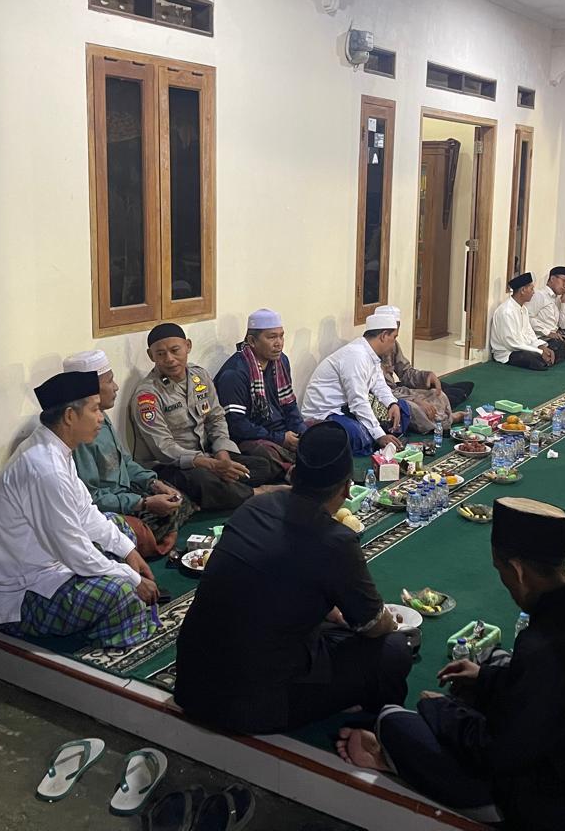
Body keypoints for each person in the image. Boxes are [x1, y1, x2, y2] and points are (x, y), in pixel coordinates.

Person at [337, 497, 565, 831]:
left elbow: (495, 754)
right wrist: (486, 678)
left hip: (557, 799)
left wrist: (442, 711)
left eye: (500, 570)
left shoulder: (544, 648)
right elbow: (552, 693)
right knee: (496, 662)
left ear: (518, 571)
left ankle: (390, 759)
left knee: (393, 721)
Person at [175, 421, 410, 734]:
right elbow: (373, 625)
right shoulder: (336, 540)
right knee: (395, 649)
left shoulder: (254, 506)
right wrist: (390, 622)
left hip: (191, 685)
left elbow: (271, 586)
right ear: (346, 489)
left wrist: (332, 613)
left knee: (330, 626)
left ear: (294, 475)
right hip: (252, 706)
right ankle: (378, 728)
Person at [0, 370, 160, 646]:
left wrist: (128, 552)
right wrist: (132, 578)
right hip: (18, 598)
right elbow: (73, 549)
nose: (101, 417)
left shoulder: (55, 448)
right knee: (121, 591)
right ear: (70, 416)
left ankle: (113, 597)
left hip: (50, 566)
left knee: (118, 528)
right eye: (95, 409)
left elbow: (86, 513)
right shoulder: (45, 469)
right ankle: (117, 635)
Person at [131, 323, 286, 513]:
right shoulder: (147, 395)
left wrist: (222, 454)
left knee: (261, 465)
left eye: (175, 350)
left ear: (188, 346)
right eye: (161, 354)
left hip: (208, 455)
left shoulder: (199, 376)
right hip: (171, 466)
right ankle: (257, 492)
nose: (169, 359)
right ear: (151, 355)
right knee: (202, 480)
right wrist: (210, 464)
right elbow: (164, 448)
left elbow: (216, 418)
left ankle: (225, 493)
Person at [64, 350, 191, 556]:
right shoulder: (80, 433)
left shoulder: (101, 416)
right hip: (110, 507)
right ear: (91, 390)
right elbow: (92, 498)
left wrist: (153, 483)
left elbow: (125, 462)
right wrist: (143, 503)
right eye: (109, 381)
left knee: (177, 497)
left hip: (127, 493)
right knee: (151, 522)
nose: (116, 387)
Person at [301, 313, 412, 456]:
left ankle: (377, 436)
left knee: (402, 408)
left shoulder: (370, 354)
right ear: (384, 336)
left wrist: (391, 403)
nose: (394, 344)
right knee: (356, 434)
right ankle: (377, 438)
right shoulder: (356, 356)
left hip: (346, 408)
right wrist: (379, 435)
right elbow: (358, 401)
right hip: (325, 414)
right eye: (394, 337)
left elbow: (378, 383)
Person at [214, 309, 306, 468]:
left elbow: (289, 406)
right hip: (253, 438)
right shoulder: (234, 373)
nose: (279, 343)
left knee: (324, 431)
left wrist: (302, 432)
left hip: (282, 432)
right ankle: (292, 470)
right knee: (265, 453)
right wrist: (279, 438)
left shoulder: (281, 362)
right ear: (252, 340)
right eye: (272, 337)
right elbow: (236, 425)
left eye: (281, 336)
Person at [372, 305, 463, 433]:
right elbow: (379, 391)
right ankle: (445, 421)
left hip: (397, 391)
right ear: (383, 334)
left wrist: (426, 376)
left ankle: (444, 419)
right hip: (384, 397)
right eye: (393, 335)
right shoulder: (367, 354)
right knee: (414, 408)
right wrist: (415, 400)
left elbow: (405, 372)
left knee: (438, 395)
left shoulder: (392, 344)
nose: (394, 339)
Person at [489, 272, 556, 370]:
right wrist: (539, 351)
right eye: (531, 289)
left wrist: (540, 346)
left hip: (524, 347)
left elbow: (529, 333)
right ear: (523, 290)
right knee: (535, 360)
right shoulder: (506, 311)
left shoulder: (523, 309)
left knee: (555, 347)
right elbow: (512, 344)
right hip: (508, 353)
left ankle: (546, 359)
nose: (534, 292)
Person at [526, 266, 565, 360]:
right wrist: (548, 333)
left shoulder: (556, 298)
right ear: (552, 279)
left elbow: (563, 325)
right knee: (561, 346)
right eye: (564, 281)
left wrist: (564, 301)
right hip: (542, 338)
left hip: (554, 335)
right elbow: (528, 318)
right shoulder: (539, 295)